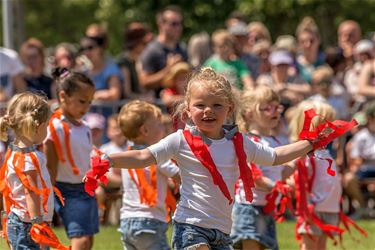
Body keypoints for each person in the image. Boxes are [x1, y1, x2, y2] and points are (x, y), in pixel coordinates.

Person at [91, 68, 319, 250]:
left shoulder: (238, 142)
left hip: (222, 232)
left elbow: (275, 156)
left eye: (216, 105)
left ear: (229, 108)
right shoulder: (180, 140)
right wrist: (108, 159)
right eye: (200, 105)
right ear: (188, 110)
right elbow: (143, 156)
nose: (208, 111)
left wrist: (311, 143)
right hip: (190, 227)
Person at [232, 85, 294, 250]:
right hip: (248, 207)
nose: (275, 112)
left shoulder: (276, 141)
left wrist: (297, 160)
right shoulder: (248, 141)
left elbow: (281, 173)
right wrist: (276, 188)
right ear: (249, 113)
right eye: (267, 108)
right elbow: (252, 176)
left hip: (265, 208)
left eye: (277, 107)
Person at [44, 67, 98, 250]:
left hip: (86, 188)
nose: (86, 107)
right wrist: (47, 197)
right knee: (80, 239)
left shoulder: (85, 126)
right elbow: (50, 165)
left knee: (87, 239)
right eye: (82, 101)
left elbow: (86, 153)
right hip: (67, 189)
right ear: (63, 96)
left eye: (90, 102)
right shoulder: (55, 127)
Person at [116, 100, 180, 250]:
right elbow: (179, 175)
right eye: (159, 125)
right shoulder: (156, 156)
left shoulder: (128, 155)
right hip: (150, 220)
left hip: (126, 220)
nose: (163, 129)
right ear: (145, 130)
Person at [0, 92, 55, 249]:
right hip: (29, 224)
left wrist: (6, 217)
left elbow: (6, 190)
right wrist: (38, 225)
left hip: (19, 222)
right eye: (48, 125)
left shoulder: (13, 153)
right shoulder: (29, 159)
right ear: (38, 126)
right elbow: (30, 192)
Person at [289, 100, 342, 250]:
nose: (331, 128)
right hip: (314, 207)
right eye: (327, 123)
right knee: (310, 244)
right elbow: (301, 182)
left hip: (328, 206)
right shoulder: (306, 154)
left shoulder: (324, 152)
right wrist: (307, 205)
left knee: (321, 246)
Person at [139, 5, 188, 97]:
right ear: (161, 24)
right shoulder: (151, 50)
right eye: (174, 24)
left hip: (180, 107)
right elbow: (144, 82)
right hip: (160, 108)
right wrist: (169, 69)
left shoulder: (182, 48)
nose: (179, 27)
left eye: (180, 23)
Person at [344, 101, 375, 218]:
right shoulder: (361, 136)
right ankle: (362, 208)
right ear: (370, 118)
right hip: (364, 169)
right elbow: (356, 159)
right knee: (349, 179)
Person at [97, 114, 129, 224]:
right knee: (100, 183)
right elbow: (101, 173)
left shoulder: (131, 147)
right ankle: (100, 218)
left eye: (122, 128)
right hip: (110, 185)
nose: (119, 132)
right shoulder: (105, 149)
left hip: (129, 184)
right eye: (115, 128)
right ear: (108, 132)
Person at [80, 24, 123, 102]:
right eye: (83, 48)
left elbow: (114, 94)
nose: (86, 52)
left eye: (90, 47)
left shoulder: (111, 68)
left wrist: (90, 96)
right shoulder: (83, 70)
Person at [118, 22, 154, 100]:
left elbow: (140, 88)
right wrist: (142, 98)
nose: (147, 47)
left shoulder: (137, 61)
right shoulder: (124, 63)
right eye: (144, 44)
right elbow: (127, 93)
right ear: (136, 43)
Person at [295, 17, 325, 84]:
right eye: (303, 41)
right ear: (298, 43)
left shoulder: (327, 60)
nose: (307, 45)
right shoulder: (294, 63)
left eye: (311, 41)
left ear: (319, 40)